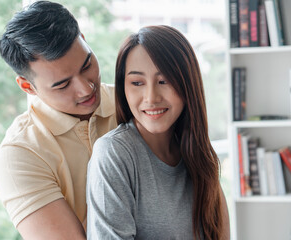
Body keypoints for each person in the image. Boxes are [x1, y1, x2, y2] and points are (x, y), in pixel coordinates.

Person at [86, 25, 230, 239]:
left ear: (187, 84)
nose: (151, 97)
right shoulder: (113, 153)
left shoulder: (200, 159)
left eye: (164, 81)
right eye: (137, 82)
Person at [0, 1, 117, 239]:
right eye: (63, 84)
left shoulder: (137, 104)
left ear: (83, 38)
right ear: (28, 87)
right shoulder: (20, 154)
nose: (86, 88)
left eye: (87, 65)